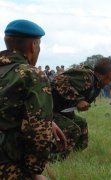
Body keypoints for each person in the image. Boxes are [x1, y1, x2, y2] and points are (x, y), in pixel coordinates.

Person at [0, 19, 66, 180]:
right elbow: (38, 132)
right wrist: (34, 171)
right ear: (33, 46)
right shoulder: (32, 75)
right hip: (7, 166)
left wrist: (47, 122)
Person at [51, 58, 111, 159]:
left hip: (61, 110)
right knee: (73, 129)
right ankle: (54, 159)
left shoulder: (96, 83)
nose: (110, 81)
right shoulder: (87, 77)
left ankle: (76, 156)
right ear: (110, 74)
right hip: (47, 111)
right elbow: (58, 81)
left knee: (81, 123)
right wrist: (78, 100)